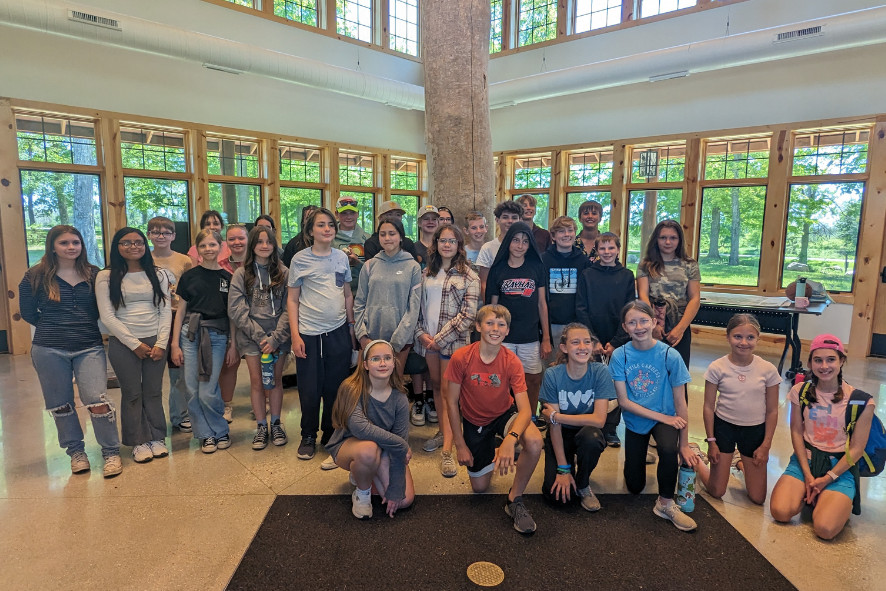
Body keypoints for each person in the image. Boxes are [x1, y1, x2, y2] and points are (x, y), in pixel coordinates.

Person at [19, 225, 123, 478]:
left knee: (97, 401)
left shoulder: (94, 274)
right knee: (61, 405)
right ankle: (76, 453)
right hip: (49, 348)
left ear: (82, 245)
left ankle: (111, 452)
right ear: (52, 246)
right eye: (64, 243)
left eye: (75, 242)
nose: (71, 247)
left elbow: (104, 308)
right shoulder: (34, 275)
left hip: (89, 346)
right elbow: (28, 312)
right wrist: (56, 328)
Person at [444, 304, 544, 534]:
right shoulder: (461, 357)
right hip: (474, 421)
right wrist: (459, 444)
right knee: (480, 488)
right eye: (489, 323)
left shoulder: (511, 361)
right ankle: (494, 449)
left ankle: (514, 500)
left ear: (508, 330)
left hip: (503, 415)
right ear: (478, 326)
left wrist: (511, 439)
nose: (495, 328)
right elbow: (450, 402)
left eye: (501, 324)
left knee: (535, 441)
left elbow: (526, 410)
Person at [770, 335, 875, 540]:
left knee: (825, 529)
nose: (824, 366)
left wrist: (828, 478)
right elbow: (796, 432)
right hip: (804, 462)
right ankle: (811, 493)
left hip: (839, 468)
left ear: (842, 361)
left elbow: (856, 449)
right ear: (810, 363)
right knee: (780, 512)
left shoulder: (861, 401)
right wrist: (808, 476)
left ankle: (829, 499)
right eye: (818, 360)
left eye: (831, 359)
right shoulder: (800, 391)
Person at [609, 300, 698, 532]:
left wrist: (685, 445)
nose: (638, 327)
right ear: (625, 327)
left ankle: (666, 503)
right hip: (637, 419)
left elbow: (681, 402)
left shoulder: (670, 355)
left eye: (643, 321)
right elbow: (624, 402)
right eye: (632, 322)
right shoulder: (620, 356)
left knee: (669, 449)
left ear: (654, 322)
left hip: (666, 417)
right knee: (635, 486)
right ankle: (641, 456)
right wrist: (664, 418)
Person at [96, 227, 172, 464]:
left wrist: (161, 343)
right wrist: (134, 344)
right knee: (131, 393)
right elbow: (107, 316)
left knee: (153, 391)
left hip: (156, 341)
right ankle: (138, 441)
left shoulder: (158, 274)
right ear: (116, 247)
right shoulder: (105, 276)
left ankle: (157, 436)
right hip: (124, 342)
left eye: (138, 242)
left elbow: (165, 310)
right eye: (126, 243)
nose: (133, 247)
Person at [287, 208, 357, 461]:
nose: (327, 229)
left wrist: (351, 327)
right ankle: (308, 434)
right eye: (321, 225)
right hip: (308, 333)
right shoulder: (300, 260)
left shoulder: (341, 257)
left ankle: (330, 431)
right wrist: (295, 336)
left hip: (338, 330)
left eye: (330, 225)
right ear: (310, 230)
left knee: (335, 387)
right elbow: (292, 300)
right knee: (309, 388)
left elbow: (347, 293)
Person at [414, 225, 480, 477]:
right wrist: (422, 334)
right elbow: (418, 308)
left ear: (459, 246)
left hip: (451, 344)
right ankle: (444, 432)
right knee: (437, 388)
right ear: (436, 243)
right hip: (429, 340)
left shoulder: (469, 276)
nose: (447, 245)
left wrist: (439, 339)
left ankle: (448, 451)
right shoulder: (426, 273)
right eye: (443, 240)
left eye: (452, 241)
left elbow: (468, 316)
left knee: (449, 394)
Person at [694, 314, 780, 505]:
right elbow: (708, 407)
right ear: (728, 337)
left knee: (757, 498)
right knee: (716, 491)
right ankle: (698, 460)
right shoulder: (717, 367)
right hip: (724, 428)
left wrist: (765, 445)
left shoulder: (767, 370)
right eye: (737, 336)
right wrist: (711, 442)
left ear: (758, 338)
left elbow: (772, 411)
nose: (744, 342)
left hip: (754, 431)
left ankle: (739, 462)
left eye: (750, 337)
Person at [326, 340, 414, 519]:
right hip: (349, 445)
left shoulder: (400, 398)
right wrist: (401, 445)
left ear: (394, 362)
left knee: (404, 500)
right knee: (368, 450)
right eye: (375, 359)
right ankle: (362, 492)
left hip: (385, 449)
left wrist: (396, 489)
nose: (382, 363)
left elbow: (399, 447)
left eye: (387, 358)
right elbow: (361, 429)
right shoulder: (351, 388)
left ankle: (366, 472)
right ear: (365, 364)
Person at [170, 229, 236, 453]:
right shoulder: (189, 276)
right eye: (203, 246)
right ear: (197, 250)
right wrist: (175, 344)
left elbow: (232, 316)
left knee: (207, 389)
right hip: (190, 334)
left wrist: (233, 344)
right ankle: (205, 434)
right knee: (191, 388)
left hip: (217, 336)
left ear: (221, 247)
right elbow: (181, 311)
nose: (208, 249)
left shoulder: (228, 278)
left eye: (213, 245)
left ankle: (220, 430)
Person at [228, 226, 291, 451]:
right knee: (257, 382)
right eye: (259, 242)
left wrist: (275, 338)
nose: (264, 246)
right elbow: (236, 309)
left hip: (278, 337)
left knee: (274, 380)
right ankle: (261, 425)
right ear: (252, 245)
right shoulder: (241, 274)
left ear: (274, 245)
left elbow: (289, 308)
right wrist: (260, 336)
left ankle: (276, 422)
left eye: (268, 242)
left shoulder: (283, 272)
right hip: (251, 337)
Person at [539, 323, 614, 511]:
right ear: (564, 348)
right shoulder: (552, 375)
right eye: (575, 342)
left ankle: (583, 483)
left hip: (586, 432)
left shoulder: (600, 372)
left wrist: (557, 416)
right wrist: (563, 469)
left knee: (593, 437)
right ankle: (567, 467)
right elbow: (554, 426)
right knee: (558, 499)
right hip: (560, 435)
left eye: (587, 342)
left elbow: (599, 420)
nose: (582, 347)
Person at [486, 222, 552, 429]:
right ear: (508, 242)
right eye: (516, 240)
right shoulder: (498, 269)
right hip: (504, 338)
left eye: (525, 241)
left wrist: (547, 338)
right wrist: (491, 337)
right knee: (502, 383)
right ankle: (503, 420)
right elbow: (492, 307)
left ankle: (530, 419)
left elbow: (542, 303)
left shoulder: (536, 267)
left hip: (530, 336)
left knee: (532, 379)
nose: (520, 245)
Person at [575, 231, 635, 447]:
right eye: (603, 248)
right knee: (591, 381)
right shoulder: (588, 274)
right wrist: (593, 341)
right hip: (592, 338)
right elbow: (581, 308)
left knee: (615, 382)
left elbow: (630, 310)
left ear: (618, 250)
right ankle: (591, 424)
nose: (607, 252)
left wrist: (616, 341)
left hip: (618, 338)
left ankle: (610, 428)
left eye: (611, 248)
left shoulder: (627, 275)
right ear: (597, 251)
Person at [354, 217, 421, 378]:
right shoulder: (370, 265)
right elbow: (360, 302)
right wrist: (362, 336)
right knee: (365, 386)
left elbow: (414, 307)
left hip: (399, 341)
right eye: (383, 234)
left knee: (394, 385)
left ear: (401, 237)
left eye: (392, 233)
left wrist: (397, 342)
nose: (387, 238)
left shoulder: (413, 267)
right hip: (370, 338)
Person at [147, 216, 193, 433]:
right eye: (156, 232)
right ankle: (151, 420)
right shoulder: (142, 258)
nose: (161, 236)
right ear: (149, 235)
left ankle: (179, 415)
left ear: (173, 236)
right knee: (152, 373)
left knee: (179, 371)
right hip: (151, 319)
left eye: (166, 232)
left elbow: (189, 292)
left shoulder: (184, 261)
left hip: (176, 317)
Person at [637, 219, 701, 368]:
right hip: (651, 321)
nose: (668, 242)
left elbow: (694, 298)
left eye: (673, 238)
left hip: (679, 320)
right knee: (651, 370)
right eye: (663, 237)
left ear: (679, 240)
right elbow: (643, 295)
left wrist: (680, 329)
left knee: (678, 371)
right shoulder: (646, 264)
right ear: (656, 240)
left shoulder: (690, 264)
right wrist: (653, 325)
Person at [541, 216, 589, 363]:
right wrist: (545, 335)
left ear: (575, 234)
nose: (566, 234)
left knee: (574, 364)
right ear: (553, 236)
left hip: (575, 322)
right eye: (561, 231)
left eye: (570, 230)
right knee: (550, 366)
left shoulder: (583, 260)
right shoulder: (543, 259)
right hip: (551, 323)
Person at [218, 223, 250, 422]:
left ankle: (263, 403)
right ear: (226, 242)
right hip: (229, 321)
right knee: (229, 364)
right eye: (232, 239)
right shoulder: (220, 265)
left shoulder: (259, 263)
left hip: (255, 322)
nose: (237, 242)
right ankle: (227, 405)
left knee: (262, 366)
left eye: (241, 238)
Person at [476, 200, 522, 301]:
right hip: (496, 303)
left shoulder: (525, 247)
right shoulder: (487, 248)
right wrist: (488, 308)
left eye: (514, 217)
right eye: (505, 217)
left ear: (520, 220)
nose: (510, 221)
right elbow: (484, 283)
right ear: (497, 220)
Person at [331, 196, 371, 293]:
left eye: (352, 213)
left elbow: (374, 271)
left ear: (357, 214)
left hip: (362, 293)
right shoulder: (329, 238)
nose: (349, 217)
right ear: (336, 214)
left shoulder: (368, 239)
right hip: (335, 293)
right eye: (344, 213)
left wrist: (357, 264)